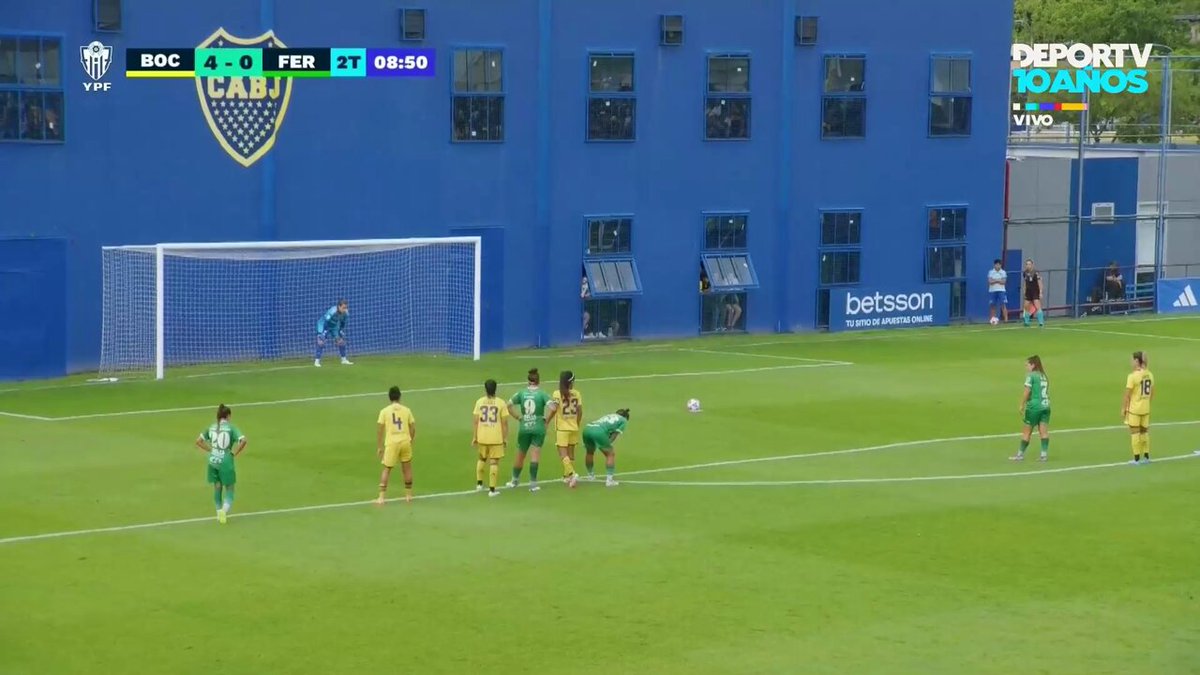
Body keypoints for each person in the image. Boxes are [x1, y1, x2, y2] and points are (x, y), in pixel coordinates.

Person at [194, 404, 248, 524]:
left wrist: (210, 450)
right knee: (230, 488)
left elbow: (198, 441)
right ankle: (224, 510)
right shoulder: (231, 428)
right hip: (226, 460)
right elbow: (243, 440)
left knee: (217, 487)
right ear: (228, 416)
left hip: (213, 460)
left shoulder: (212, 427)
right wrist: (234, 453)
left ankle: (219, 513)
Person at [506, 368, 552, 492]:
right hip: (538, 427)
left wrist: (518, 417)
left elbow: (508, 405)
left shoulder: (521, 393)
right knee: (535, 454)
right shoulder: (542, 394)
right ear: (538, 381)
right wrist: (546, 419)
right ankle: (533, 484)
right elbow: (553, 407)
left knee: (520, 454)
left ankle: (514, 480)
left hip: (524, 426)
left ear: (528, 381)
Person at [375, 386, 416, 505]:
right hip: (405, 441)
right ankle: (408, 495)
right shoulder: (407, 410)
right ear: (400, 396)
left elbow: (380, 429)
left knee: (387, 469)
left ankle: (381, 497)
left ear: (389, 397)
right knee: (407, 468)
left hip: (392, 443)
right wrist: (410, 440)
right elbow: (413, 427)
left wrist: (379, 446)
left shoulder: (384, 411)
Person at [545, 370, 582, 487]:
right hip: (573, 427)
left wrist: (546, 421)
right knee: (571, 454)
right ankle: (566, 476)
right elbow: (580, 411)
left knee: (563, 454)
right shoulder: (577, 393)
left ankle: (572, 474)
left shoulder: (557, 393)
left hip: (562, 429)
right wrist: (577, 424)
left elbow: (554, 409)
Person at [1011, 356, 1050, 462]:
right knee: (1043, 431)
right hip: (1046, 406)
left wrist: (1022, 404)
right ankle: (1043, 455)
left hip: (1034, 407)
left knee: (1027, 432)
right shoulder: (1044, 375)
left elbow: (1027, 391)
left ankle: (1020, 455)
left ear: (1033, 365)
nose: (1026, 367)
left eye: (1027, 365)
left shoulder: (1031, 376)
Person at [472, 379, 508, 497]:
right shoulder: (501, 403)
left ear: (485, 389)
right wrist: (505, 438)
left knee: (482, 458)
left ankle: (479, 484)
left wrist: (475, 437)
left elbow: (476, 422)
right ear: (495, 389)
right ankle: (492, 490)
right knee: (494, 462)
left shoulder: (479, 402)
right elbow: (504, 423)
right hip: (495, 437)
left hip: (482, 435)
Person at [582, 409, 631, 486]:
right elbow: (614, 435)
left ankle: (590, 476)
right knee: (610, 454)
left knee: (590, 452)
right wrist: (607, 444)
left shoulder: (610, 415)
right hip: (598, 432)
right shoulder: (623, 420)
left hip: (587, 429)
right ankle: (609, 480)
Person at [1122, 351, 1154, 465]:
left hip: (1135, 410)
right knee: (1144, 432)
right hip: (1146, 409)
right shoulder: (1150, 374)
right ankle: (1146, 456)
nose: (1131, 362)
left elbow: (1127, 394)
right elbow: (1152, 393)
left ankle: (1136, 459)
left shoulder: (1132, 376)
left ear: (1137, 361)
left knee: (1135, 433)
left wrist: (1124, 409)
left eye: (1132, 360)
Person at [315, 299, 352, 367]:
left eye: (346, 307)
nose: (345, 309)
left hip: (334, 327)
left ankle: (343, 360)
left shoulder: (346, 313)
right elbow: (325, 321)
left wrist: (340, 331)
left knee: (341, 342)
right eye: (343, 308)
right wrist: (322, 333)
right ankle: (317, 361)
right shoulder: (332, 311)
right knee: (321, 342)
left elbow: (343, 323)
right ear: (339, 306)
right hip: (323, 325)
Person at [1020, 259, 1044, 328]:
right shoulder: (1025, 273)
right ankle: (1027, 322)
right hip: (1028, 292)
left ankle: (1041, 322)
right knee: (1026, 306)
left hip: (1035, 291)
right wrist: (1024, 291)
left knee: (1037, 306)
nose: (1028, 266)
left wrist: (1040, 292)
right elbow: (1025, 282)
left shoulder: (1036, 273)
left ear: (1032, 265)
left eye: (1029, 264)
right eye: (1027, 264)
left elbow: (1040, 283)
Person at [987, 259, 1008, 324]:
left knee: (1003, 305)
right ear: (994, 265)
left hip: (1001, 291)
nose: (998, 266)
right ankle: (992, 320)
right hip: (992, 291)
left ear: (1001, 265)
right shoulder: (991, 272)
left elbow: (1004, 282)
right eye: (996, 265)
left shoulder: (1003, 272)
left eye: (999, 265)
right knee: (992, 305)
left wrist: (995, 280)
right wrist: (998, 280)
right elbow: (990, 281)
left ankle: (1006, 320)